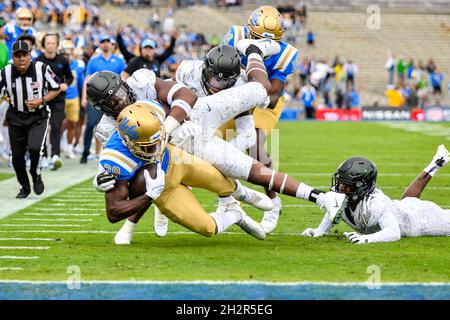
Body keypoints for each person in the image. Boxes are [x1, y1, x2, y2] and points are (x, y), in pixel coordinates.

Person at [90, 41, 347, 243]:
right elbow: (123, 169)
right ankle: (236, 197)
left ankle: (254, 50)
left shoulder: (142, 80)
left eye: (121, 95)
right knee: (236, 177)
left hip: (198, 115)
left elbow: (184, 95)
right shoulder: (106, 128)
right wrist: (102, 178)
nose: (122, 102)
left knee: (260, 95)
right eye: (112, 103)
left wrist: (171, 125)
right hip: (172, 153)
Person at [100, 100, 267, 242]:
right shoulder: (116, 159)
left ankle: (240, 193)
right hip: (164, 191)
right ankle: (236, 215)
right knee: (207, 228)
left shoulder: (151, 109)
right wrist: (149, 195)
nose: (155, 148)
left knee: (221, 183)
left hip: (175, 159)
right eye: (148, 146)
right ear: (128, 142)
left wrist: (183, 121)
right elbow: (113, 212)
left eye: (158, 139)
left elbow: (179, 101)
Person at [221, 6, 299, 231]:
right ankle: (226, 199)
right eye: (255, 38)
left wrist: (253, 87)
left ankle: (273, 201)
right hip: (233, 94)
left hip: (264, 99)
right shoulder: (235, 36)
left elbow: (272, 97)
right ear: (249, 32)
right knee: (205, 139)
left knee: (255, 143)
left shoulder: (285, 54)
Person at [301, 145, 450, 244]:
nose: (339, 187)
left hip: (421, 220)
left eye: (345, 185)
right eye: (339, 182)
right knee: (408, 200)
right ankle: (436, 163)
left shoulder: (377, 204)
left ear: (361, 186)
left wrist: (365, 239)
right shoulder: (344, 198)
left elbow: (394, 233)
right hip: (402, 208)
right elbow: (333, 214)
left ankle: (435, 165)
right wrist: (319, 231)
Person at [0, 40, 60, 198]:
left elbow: (56, 87)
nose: (21, 59)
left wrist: (42, 100)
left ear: (30, 55)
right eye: (17, 55)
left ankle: (35, 173)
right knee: (17, 156)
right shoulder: (5, 72)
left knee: (34, 149)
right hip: (16, 117)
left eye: (24, 55)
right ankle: (24, 187)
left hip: (38, 116)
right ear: (12, 57)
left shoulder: (42, 68)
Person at [80, 34, 126, 164]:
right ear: (100, 45)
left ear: (112, 45)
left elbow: (123, 79)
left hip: (113, 101)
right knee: (90, 125)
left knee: (114, 127)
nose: (105, 44)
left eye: (108, 42)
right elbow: (87, 80)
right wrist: (84, 97)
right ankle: (85, 152)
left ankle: (111, 153)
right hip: (95, 99)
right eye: (103, 41)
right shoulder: (93, 61)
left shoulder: (118, 61)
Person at [36, 33, 74, 170]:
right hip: (43, 98)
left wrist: (66, 84)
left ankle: (55, 155)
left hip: (58, 98)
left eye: (53, 43)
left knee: (56, 126)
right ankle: (44, 156)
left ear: (57, 45)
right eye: (48, 43)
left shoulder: (63, 60)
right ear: (44, 45)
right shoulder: (37, 61)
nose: (50, 45)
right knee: (43, 127)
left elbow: (69, 77)